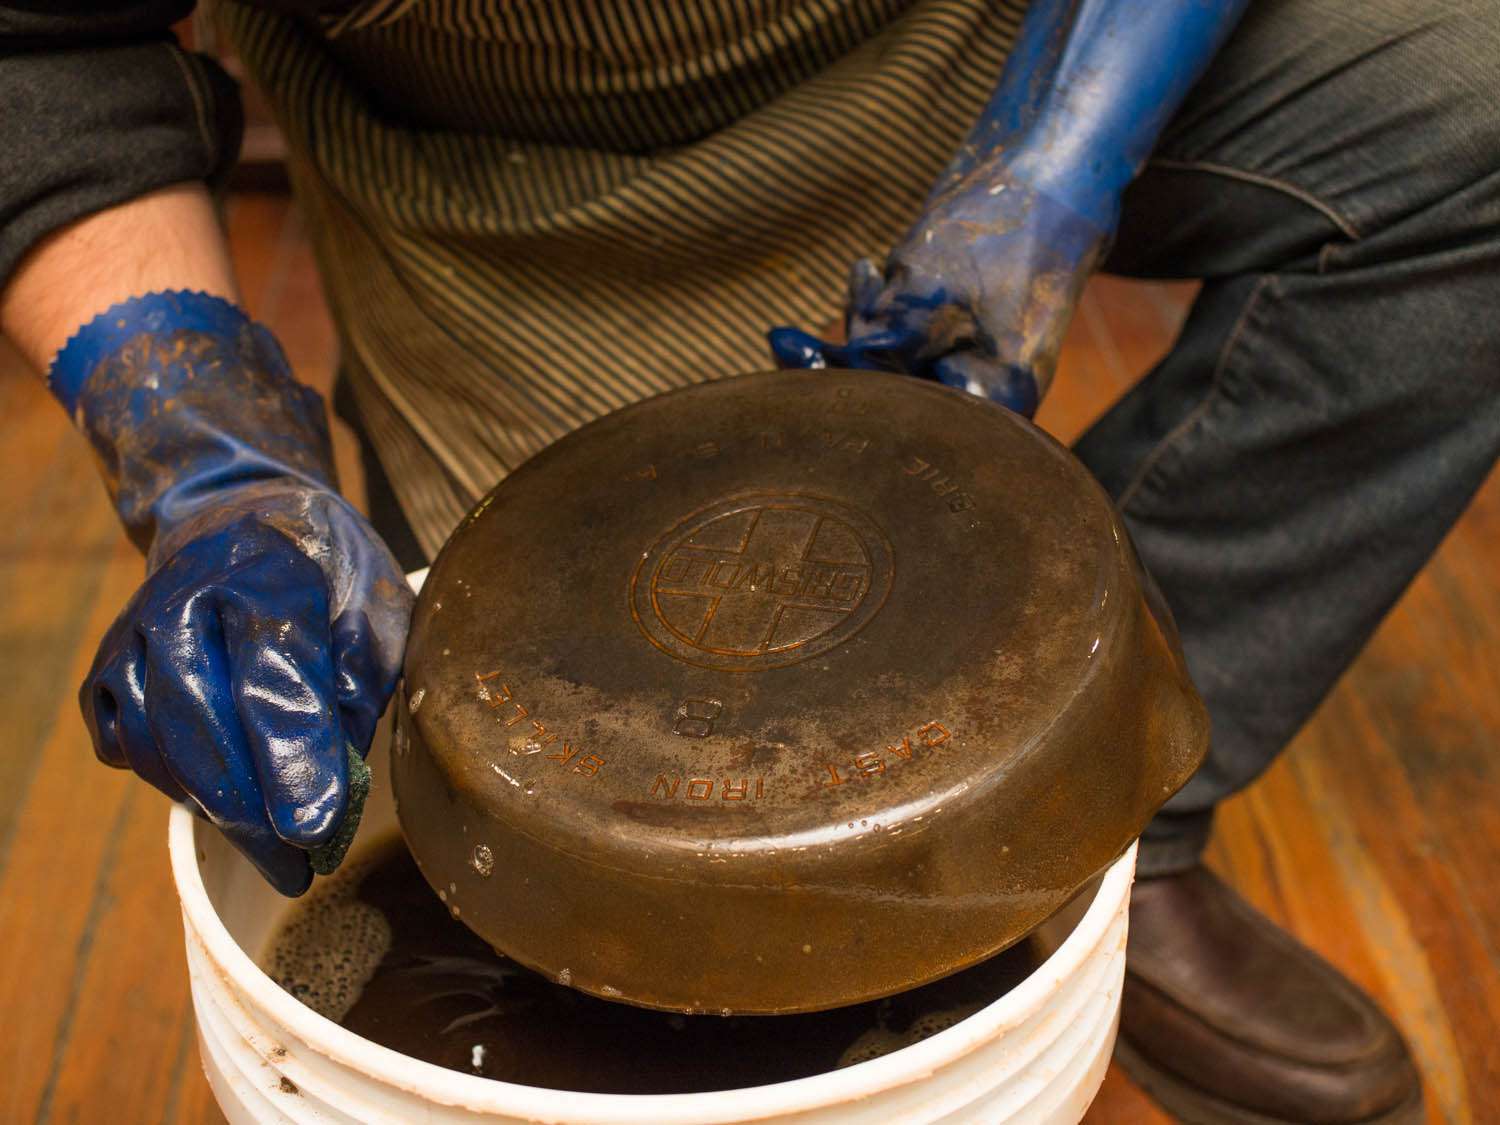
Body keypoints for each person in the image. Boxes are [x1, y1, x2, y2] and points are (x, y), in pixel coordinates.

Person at [4, 0, 1496, 1120]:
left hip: (964, 51)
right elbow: (47, 42)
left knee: (1475, 104)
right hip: (513, 187)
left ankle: (1107, 808)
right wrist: (210, 459)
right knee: (555, 797)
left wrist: (1055, 158)